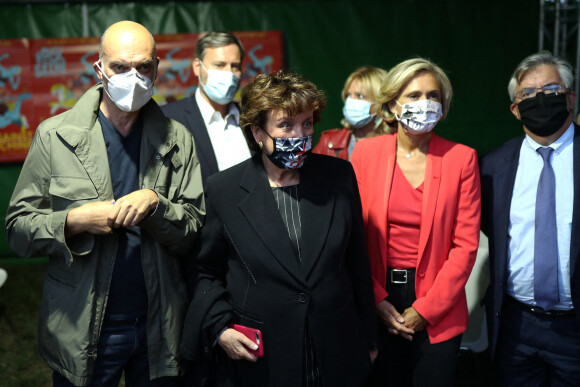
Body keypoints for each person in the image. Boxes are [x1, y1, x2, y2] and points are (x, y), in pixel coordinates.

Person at [5, 21, 205, 386]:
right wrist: (73, 220)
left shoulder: (178, 139)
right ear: (100, 69)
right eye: (120, 67)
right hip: (84, 325)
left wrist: (155, 204)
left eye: (144, 66)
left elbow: (193, 231)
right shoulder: (56, 136)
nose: (134, 77)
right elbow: (18, 230)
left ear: (157, 68)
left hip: (159, 324)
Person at [181, 71, 378, 386]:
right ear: (258, 132)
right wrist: (221, 328)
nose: (299, 134)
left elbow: (357, 263)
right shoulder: (225, 189)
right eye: (285, 125)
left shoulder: (339, 176)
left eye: (307, 124)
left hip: (338, 349)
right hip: (265, 358)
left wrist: (369, 339)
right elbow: (204, 271)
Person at [351, 58, 481, 386]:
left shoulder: (462, 158)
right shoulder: (365, 154)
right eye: (413, 95)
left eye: (432, 95)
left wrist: (426, 310)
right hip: (377, 297)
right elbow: (351, 236)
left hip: (439, 305)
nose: (424, 103)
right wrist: (376, 299)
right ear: (392, 103)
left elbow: (465, 245)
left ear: (444, 104)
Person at [480, 51, 580, 385]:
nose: (539, 98)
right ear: (515, 108)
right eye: (527, 93)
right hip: (515, 327)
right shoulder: (492, 166)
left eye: (551, 89)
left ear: (570, 98)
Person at [162, 31, 251, 185]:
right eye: (219, 65)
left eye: (235, 66)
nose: (229, 73)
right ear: (197, 67)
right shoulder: (168, 119)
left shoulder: (253, 118)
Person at [313, 66, 391, 160]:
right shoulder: (329, 142)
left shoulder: (396, 145)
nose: (351, 101)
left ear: (380, 102)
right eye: (348, 95)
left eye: (360, 96)